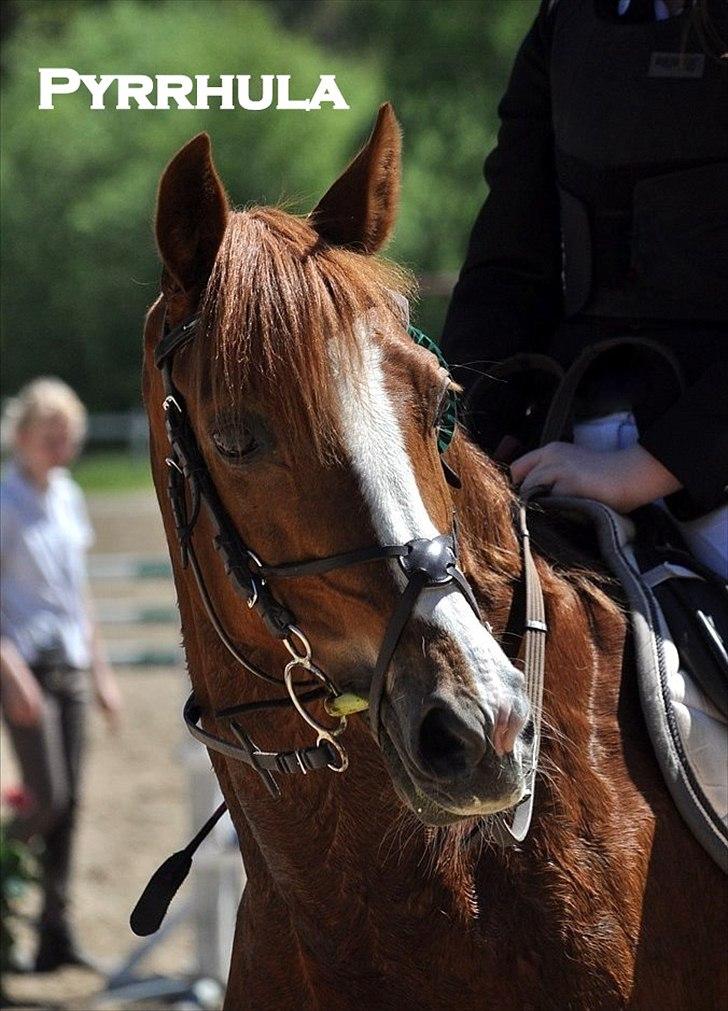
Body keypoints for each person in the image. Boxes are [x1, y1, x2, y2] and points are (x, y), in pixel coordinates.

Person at [440, 0, 728, 579]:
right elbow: (510, 264)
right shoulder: (562, 22)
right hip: (571, 430)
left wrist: (645, 469)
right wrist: (472, 431)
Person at [0, 377, 122, 972]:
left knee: (70, 804)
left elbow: (78, 595)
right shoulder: (3, 502)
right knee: (45, 799)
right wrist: (12, 672)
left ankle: (55, 932)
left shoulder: (69, 496)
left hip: (71, 661)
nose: (62, 448)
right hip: (22, 663)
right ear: (22, 436)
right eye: (51, 436)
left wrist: (101, 673)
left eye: (67, 438)